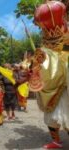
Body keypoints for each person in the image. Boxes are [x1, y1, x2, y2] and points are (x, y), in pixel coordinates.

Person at [30, 1, 69, 149]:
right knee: (51, 117)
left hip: (65, 84)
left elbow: (63, 55)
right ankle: (56, 141)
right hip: (52, 86)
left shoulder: (65, 42)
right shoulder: (44, 48)